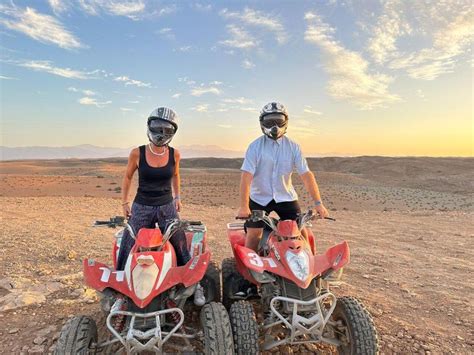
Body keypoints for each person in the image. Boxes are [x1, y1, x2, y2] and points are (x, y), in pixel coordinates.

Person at [118, 106, 205, 306]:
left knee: (180, 242)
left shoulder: (175, 154)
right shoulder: (137, 153)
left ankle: (194, 285)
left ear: (173, 133)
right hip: (142, 205)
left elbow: (176, 175)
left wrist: (177, 197)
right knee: (128, 242)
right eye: (158, 127)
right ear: (149, 126)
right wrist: (124, 202)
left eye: (167, 130)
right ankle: (121, 293)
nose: (161, 133)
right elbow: (128, 176)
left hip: (166, 205)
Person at [237, 102, 329, 252]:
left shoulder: (293, 147)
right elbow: (246, 177)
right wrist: (243, 207)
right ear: (262, 123)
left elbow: (306, 175)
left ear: (285, 122)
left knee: (299, 232)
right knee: (254, 234)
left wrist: (318, 203)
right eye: (269, 122)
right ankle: (248, 273)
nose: (274, 126)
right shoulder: (255, 147)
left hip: (285, 196)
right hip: (260, 197)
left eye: (278, 121)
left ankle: (309, 266)